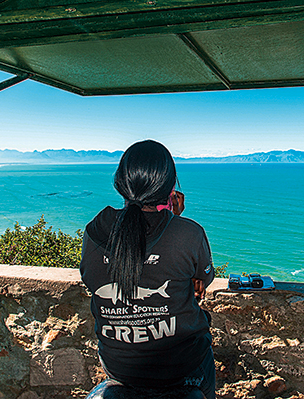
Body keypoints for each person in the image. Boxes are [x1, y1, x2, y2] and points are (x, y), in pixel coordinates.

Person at [80, 140, 215, 398]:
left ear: (121, 183)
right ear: (171, 188)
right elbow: (203, 278)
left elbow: (90, 278)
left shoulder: (95, 231)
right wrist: (174, 219)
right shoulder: (187, 233)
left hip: (120, 367)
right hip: (183, 366)